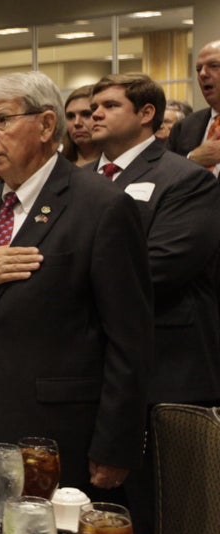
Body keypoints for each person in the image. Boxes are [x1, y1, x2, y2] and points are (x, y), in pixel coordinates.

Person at [0, 71, 150, 490]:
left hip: (50, 434)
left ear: (45, 125)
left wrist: (115, 445)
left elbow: (130, 339)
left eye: (0, 121)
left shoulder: (102, 206)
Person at [88, 73, 220, 406]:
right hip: (86, 359)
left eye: (110, 105)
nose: (96, 114)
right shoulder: (74, 179)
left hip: (163, 359)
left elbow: (162, 266)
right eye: (94, 107)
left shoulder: (185, 179)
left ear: (146, 114)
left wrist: (60, 283)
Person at [167, 39, 220, 173]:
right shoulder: (184, 127)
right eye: (198, 69)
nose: (202, 74)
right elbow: (163, 177)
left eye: (214, 65)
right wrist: (192, 159)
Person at [62, 85, 99, 167]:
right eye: (70, 116)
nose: (77, 123)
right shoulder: (57, 164)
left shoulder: (112, 166)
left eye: (86, 114)